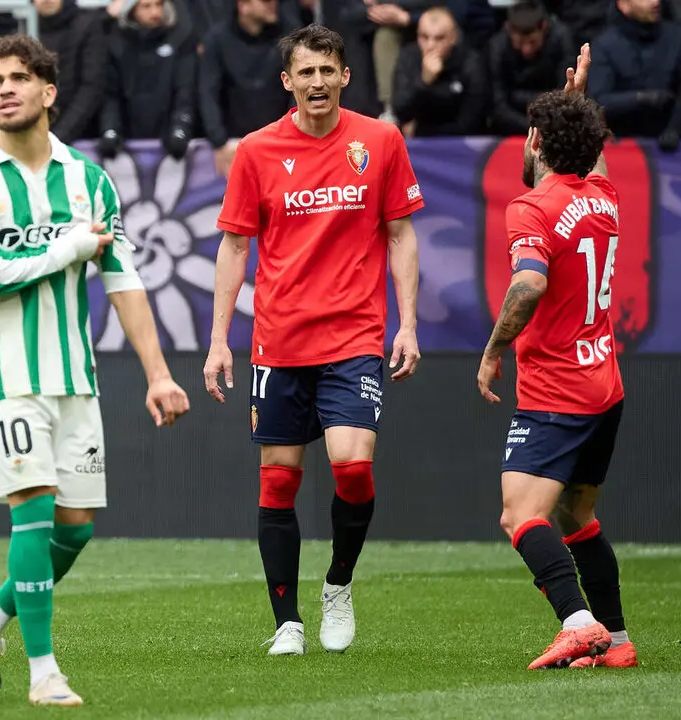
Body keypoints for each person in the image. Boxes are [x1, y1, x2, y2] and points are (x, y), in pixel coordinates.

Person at [0, 34, 191, 706]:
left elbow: (123, 278)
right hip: (4, 374)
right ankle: (44, 671)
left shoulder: (87, 179)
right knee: (35, 512)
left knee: (75, 529)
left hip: (74, 376)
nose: (5, 89)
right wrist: (70, 247)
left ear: (49, 93)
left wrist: (158, 374)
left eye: (19, 78)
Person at [204, 23, 425, 656]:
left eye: (328, 69)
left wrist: (407, 324)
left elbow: (401, 234)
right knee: (279, 481)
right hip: (278, 343)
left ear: (345, 76)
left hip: (354, 336)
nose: (317, 82)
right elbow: (235, 244)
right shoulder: (256, 151)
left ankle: (338, 584)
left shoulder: (380, 141)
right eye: (306, 72)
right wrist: (220, 340)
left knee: (353, 469)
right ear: (287, 81)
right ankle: (287, 624)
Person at [476, 43, 637, 670]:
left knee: (520, 513)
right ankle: (618, 644)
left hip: (557, 389)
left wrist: (494, 350)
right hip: (606, 387)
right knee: (577, 515)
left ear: (536, 141)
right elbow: (587, 156)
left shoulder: (531, 207)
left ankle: (577, 623)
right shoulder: (605, 196)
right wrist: (578, 107)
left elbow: (531, 282)